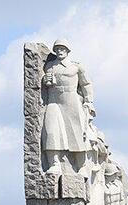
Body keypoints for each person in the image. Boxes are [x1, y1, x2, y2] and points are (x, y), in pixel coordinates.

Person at [41, 39, 93, 175]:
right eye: (57, 49)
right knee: (51, 130)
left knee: (76, 132)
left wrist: (89, 102)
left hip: (71, 100)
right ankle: (54, 163)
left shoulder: (76, 66)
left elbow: (86, 84)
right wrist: (45, 81)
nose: (59, 51)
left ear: (68, 50)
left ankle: (81, 166)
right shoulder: (50, 66)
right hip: (54, 100)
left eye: (62, 48)